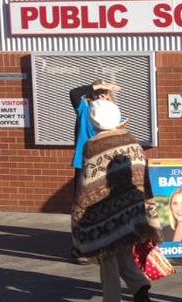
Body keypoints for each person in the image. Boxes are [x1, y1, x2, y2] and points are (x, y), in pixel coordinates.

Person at [71, 99, 159, 302]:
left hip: (107, 212)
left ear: (94, 122)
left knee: (107, 257)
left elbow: (87, 185)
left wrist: (79, 216)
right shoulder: (132, 142)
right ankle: (140, 288)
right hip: (132, 208)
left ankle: (112, 298)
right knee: (124, 251)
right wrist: (149, 211)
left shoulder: (93, 146)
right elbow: (143, 178)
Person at [69, 79, 121, 265]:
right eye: (98, 93)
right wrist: (95, 86)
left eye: (104, 92)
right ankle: (81, 247)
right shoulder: (84, 109)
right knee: (82, 206)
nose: (101, 95)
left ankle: (101, 245)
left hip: (105, 164)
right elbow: (74, 93)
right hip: (84, 163)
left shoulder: (114, 113)